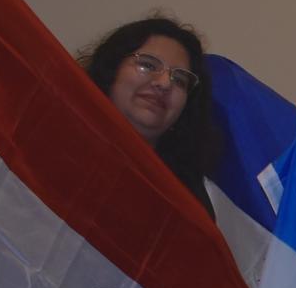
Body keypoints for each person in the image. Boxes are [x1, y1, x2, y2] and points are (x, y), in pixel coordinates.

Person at [80, 15, 222, 216]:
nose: (164, 84)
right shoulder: (55, 138)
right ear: (111, 71)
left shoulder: (187, 202)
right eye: (147, 65)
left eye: (180, 80)